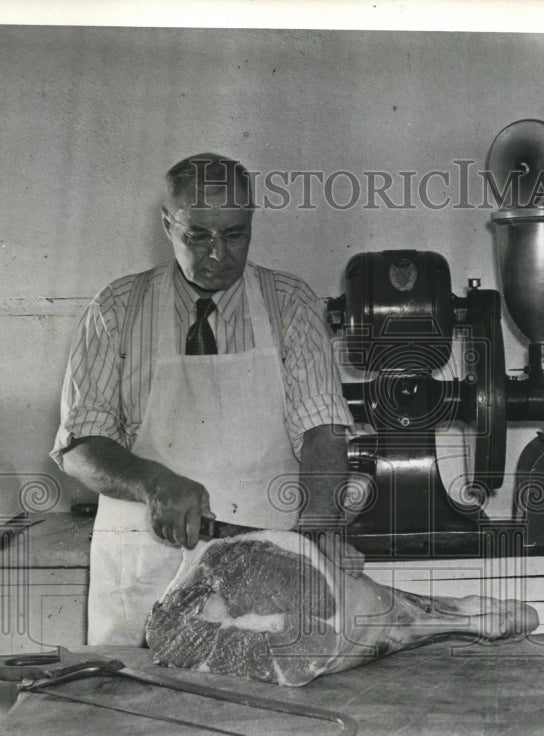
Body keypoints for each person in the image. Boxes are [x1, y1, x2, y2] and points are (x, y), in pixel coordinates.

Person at [51, 153, 356, 646]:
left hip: (263, 569)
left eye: (234, 235)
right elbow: (81, 445)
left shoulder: (291, 303)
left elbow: (324, 428)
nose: (218, 254)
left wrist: (320, 532)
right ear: (167, 223)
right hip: (143, 569)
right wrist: (153, 481)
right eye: (197, 235)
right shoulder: (117, 308)